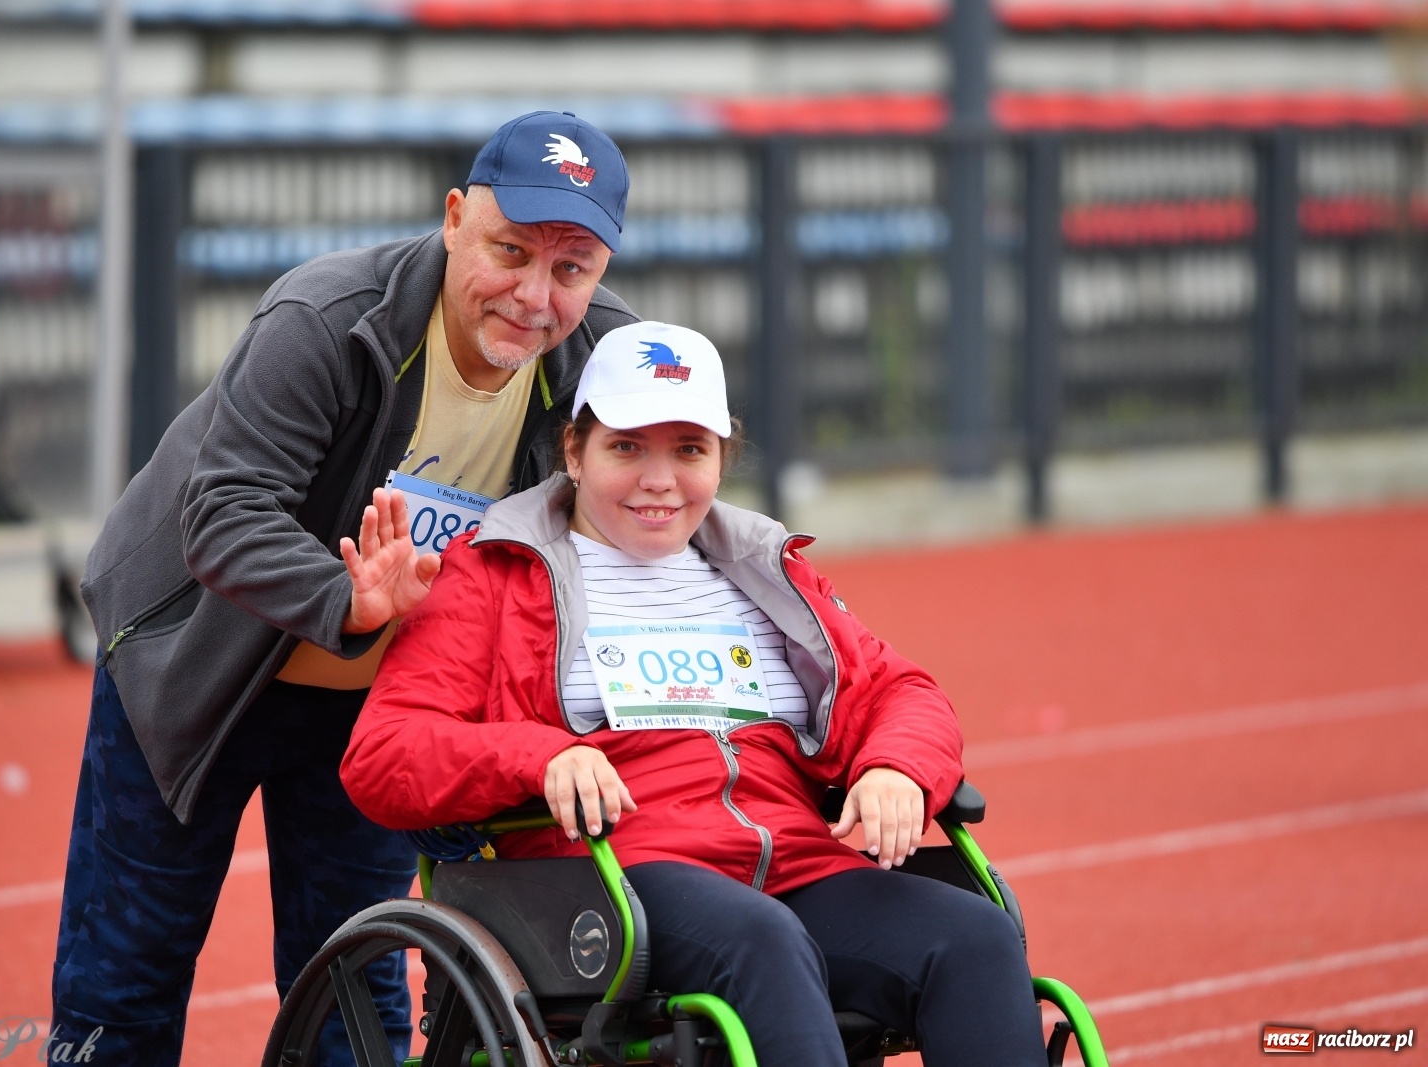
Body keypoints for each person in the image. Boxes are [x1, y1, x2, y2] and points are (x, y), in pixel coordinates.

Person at [53, 111, 637, 1065]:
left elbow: (658, 513)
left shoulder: (605, 366)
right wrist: (349, 600)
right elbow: (224, 514)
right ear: (453, 219)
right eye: (510, 250)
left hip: (373, 707)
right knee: (125, 982)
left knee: (356, 1000)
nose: (534, 296)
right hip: (197, 663)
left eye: (571, 269)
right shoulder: (325, 319)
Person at [342, 321, 1048, 1067]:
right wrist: (542, 756)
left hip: (802, 866)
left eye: (689, 450)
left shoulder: (765, 571)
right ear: (575, 453)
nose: (660, 479)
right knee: (762, 940)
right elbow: (384, 754)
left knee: (973, 935)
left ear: (721, 458)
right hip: (615, 881)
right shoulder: (492, 575)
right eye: (627, 447)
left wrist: (896, 767)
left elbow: (899, 691)